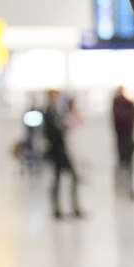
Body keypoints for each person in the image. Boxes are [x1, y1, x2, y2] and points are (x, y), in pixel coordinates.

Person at [43, 91, 84, 219]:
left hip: (62, 150)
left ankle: (74, 207)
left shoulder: (57, 112)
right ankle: (56, 209)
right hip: (56, 152)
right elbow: (50, 133)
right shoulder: (48, 113)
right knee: (57, 180)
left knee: (71, 178)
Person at [112, 86, 134, 200]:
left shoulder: (129, 103)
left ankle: (129, 189)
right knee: (122, 165)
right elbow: (120, 118)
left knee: (130, 166)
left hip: (129, 138)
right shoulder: (116, 104)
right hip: (121, 139)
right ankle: (121, 189)